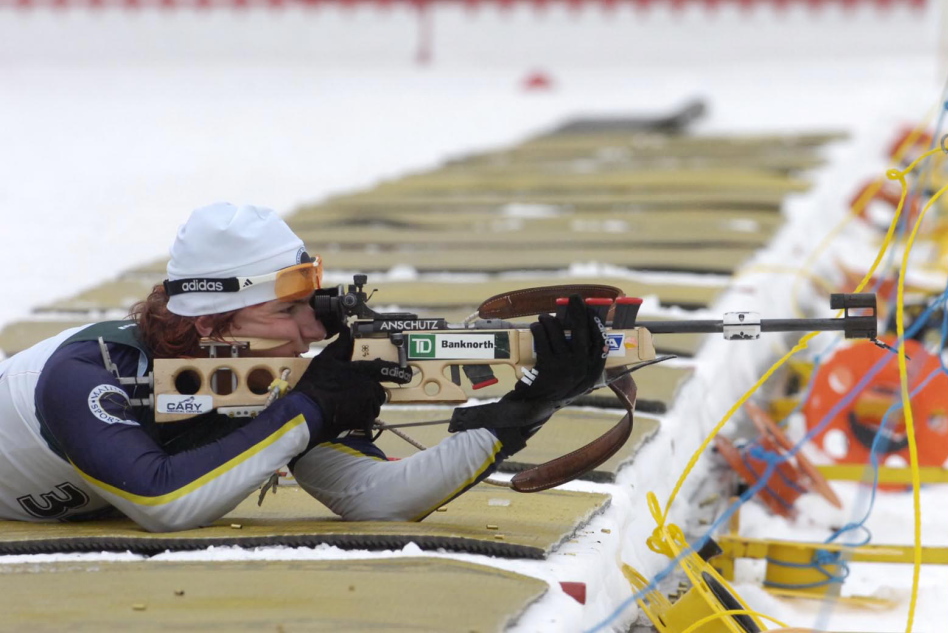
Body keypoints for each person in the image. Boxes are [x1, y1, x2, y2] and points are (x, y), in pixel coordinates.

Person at [0, 203, 606, 532]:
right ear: (210, 322)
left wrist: (521, 412)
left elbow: (379, 498)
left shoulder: (261, 386)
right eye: (287, 312)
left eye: (310, 310)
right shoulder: (85, 374)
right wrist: (310, 409)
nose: (313, 332)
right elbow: (162, 503)